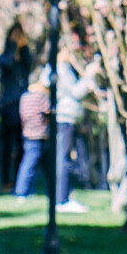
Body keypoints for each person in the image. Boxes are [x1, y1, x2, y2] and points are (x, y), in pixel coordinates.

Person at [55, 48, 100, 213]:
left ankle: (63, 196)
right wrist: (88, 75)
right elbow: (76, 92)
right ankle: (62, 199)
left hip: (66, 117)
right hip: (65, 117)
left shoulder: (61, 69)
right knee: (64, 158)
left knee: (65, 157)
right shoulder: (62, 69)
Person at [0, 22, 31, 191]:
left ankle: (18, 179)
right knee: (7, 146)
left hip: (22, 105)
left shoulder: (24, 59)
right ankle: (4, 180)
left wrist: (23, 48)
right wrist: (13, 46)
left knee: (21, 145)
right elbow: (7, 64)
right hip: (8, 106)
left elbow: (29, 66)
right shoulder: (4, 58)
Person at [14, 66, 51, 198]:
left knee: (29, 163)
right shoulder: (41, 96)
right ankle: (22, 191)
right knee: (31, 164)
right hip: (39, 135)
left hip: (27, 134)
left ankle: (28, 190)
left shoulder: (24, 96)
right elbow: (48, 111)